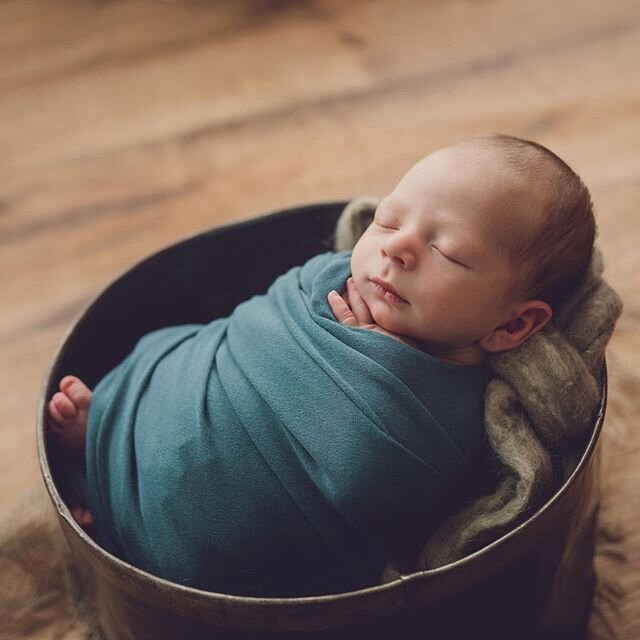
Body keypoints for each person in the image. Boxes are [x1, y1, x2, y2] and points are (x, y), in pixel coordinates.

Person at [47, 133, 596, 596]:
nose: (397, 248)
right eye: (387, 220)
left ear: (512, 326)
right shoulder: (339, 277)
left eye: (448, 252)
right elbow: (260, 320)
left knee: (225, 547)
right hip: (205, 389)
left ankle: (120, 504)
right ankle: (114, 436)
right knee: (176, 351)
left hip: (213, 552)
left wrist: (370, 366)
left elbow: (396, 491)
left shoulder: (465, 413)